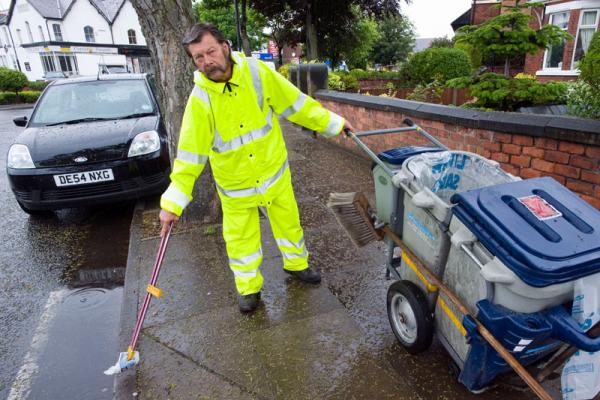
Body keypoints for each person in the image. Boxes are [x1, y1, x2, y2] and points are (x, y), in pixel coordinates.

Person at [159, 23, 355, 313]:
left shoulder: (257, 73)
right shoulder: (200, 101)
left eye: (210, 52)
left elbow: (297, 105)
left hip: (273, 173)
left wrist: (334, 124)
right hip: (236, 187)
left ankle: (297, 265)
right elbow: (189, 157)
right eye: (198, 57)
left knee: (289, 225)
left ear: (225, 47)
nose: (206, 62)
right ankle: (248, 289)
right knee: (241, 241)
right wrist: (173, 203)